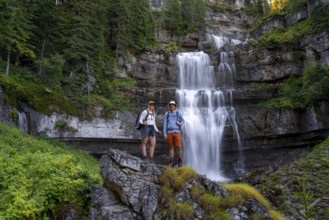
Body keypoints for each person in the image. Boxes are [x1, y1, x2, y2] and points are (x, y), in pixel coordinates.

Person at [163, 101, 185, 167]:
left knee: (179, 146)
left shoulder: (178, 113)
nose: (172, 106)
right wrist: (164, 133)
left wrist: (180, 123)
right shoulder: (167, 114)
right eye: (171, 105)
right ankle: (171, 160)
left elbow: (183, 120)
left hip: (177, 132)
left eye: (173, 105)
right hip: (169, 132)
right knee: (171, 147)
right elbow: (165, 124)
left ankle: (180, 160)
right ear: (169, 106)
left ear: (175, 106)